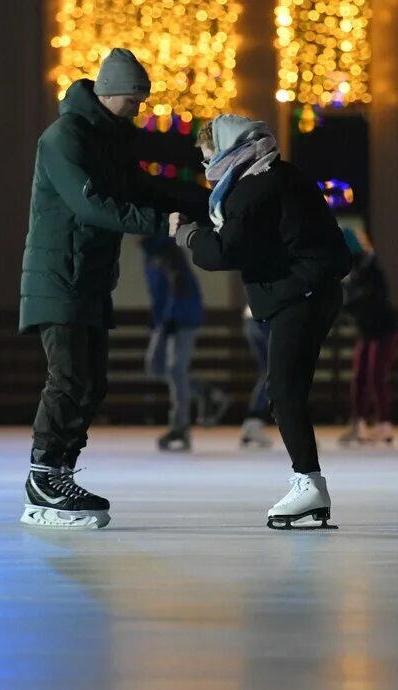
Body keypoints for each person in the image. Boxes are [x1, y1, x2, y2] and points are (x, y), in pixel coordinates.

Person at [18, 48, 206, 529]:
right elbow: (93, 204)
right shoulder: (62, 138)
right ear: (108, 95)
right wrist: (161, 223)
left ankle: (59, 472)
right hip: (58, 277)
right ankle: (42, 479)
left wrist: (204, 204)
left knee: (92, 381)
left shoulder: (108, 141)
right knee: (68, 377)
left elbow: (139, 189)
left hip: (92, 279)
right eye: (132, 101)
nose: (137, 111)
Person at [170, 115, 350, 528]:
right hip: (309, 291)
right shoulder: (276, 176)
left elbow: (222, 252)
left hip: (300, 296)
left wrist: (188, 236)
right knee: (286, 387)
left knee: (283, 389)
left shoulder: (253, 187)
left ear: (228, 149)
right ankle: (309, 483)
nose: (206, 168)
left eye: (207, 156)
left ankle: (308, 484)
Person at [141, 235, 230, 452]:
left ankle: (179, 426)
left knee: (175, 369)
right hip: (165, 318)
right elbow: (158, 290)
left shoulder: (166, 250)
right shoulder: (148, 251)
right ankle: (205, 391)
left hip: (184, 316)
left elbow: (179, 285)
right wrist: (157, 318)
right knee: (156, 366)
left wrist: (172, 315)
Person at [338, 227, 398, 447]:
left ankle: (384, 424)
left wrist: (345, 304)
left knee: (376, 375)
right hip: (367, 331)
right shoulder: (354, 268)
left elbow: (368, 298)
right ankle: (360, 422)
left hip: (382, 330)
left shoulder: (368, 266)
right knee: (360, 376)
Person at [239, 305, 274, 448]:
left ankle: (252, 424)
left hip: (251, 316)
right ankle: (299, 431)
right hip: (269, 315)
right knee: (281, 371)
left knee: (269, 372)